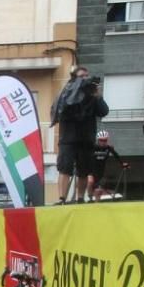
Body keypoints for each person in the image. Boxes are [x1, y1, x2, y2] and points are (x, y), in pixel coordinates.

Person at [51, 66, 109, 204]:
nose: (85, 79)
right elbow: (59, 109)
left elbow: (104, 112)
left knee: (84, 170)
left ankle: (81, 198)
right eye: (82, 76)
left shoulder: (92, 95)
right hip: (68, 139)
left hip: (86, 139)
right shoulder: (66, 92)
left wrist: (97, 95)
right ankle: (62, 199)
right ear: (74, 78)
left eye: (86, 76)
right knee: (65, 168)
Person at [87, 131, 130, 200]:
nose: (103, 142)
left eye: (105, 140)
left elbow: (116, 155)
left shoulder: (108, 148)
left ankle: (95, 204)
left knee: (98, 190)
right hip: (91, 169)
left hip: (101, 171)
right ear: (98, 140)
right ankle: (90, 197)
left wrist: (122, 163)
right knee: (90, 182)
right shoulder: (93, 147)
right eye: (101, 140)